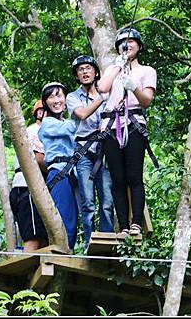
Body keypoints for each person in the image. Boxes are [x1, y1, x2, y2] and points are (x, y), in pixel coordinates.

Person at [96, 27, 157, 237]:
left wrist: (133, 87)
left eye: (131, 42)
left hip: (134, 123)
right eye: (123, 42)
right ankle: (122, 225)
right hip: (111, 126)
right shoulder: (113, 69)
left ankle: (136, 223)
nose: (127, 45)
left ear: (139, 47)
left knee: (134, 176)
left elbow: (147, 100)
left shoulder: (146, 71)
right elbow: (102, 88)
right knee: (117, 178)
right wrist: (117, 66)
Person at [66, 55, 115, 250]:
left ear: (96, 72)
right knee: (87, 202)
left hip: (104, 151)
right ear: (77, 75)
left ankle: (107, 241)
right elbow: (82, 114)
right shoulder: (72, 97)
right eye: (80, 69)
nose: (85, 72)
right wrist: (102, 97)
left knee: (107, 200)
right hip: (84, 151)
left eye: (88, 68)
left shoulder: (110, 94)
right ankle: (89, 242)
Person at [38, 82, 79, 250]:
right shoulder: (47, 123)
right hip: (58, 171)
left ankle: (70, 249)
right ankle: (64, 252)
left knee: (75, 216)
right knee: (64, 215)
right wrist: (81, 111)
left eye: (59, 95)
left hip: (73, 173)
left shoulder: (66, 121)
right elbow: (70, 129)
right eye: (51, 97)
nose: (56, 100)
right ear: (46, 102)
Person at [9, 100, 49, 252]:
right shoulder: (34, 131)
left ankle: (35, 269)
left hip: (33, 187)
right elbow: (38, 159)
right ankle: (25, 272)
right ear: (40, 113)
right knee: (33, 238)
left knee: (44, 238)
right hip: (27, 187)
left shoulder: (45, 131)